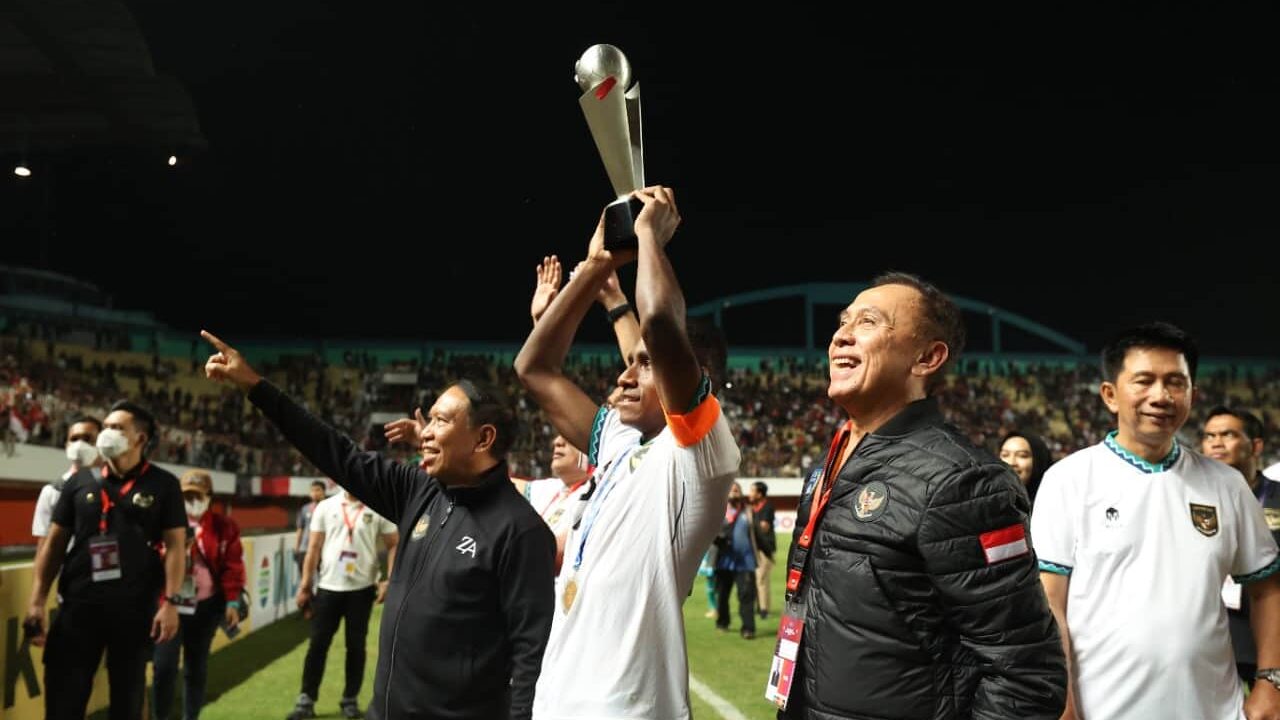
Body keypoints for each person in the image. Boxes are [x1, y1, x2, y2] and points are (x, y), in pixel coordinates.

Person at [201, 331, 555, 720]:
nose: (426, 432)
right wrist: (256, 387)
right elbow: (336, 452)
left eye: (441, 420)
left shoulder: (521, 532)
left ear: (483, 438)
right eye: (429, 420)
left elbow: (530, 656)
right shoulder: (418, 491)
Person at [776, 272, 1066, 719]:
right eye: (843, 321)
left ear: (927, 357)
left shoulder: (964, 482)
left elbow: (1025, 673)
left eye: (868, 323)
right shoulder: (830, 463)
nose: (841, 336)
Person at [514, 185, 741, 718]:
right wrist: (595, 268)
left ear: (690, 374)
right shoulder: (620, 443)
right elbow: (534, 370)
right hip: (554, 702)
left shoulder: (699, 452)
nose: (623, 373)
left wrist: (647, 237)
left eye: (643, 364)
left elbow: (661, 326)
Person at [1033, 322, 1280, 719]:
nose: (1160, 396)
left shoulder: (1227, 485)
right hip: (1102, 709)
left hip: (1213, 708)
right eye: (1144, 381)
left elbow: (1267, 587)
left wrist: (1271, 680)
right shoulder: (1069, 480)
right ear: (1110, 394)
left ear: (1192, 395)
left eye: (1175, 382)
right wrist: (1061, 702)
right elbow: (1049, 605)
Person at [25, 400, 186, 720]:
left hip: (133, 612)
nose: (106, 433)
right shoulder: (78, 482)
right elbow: (54, 545)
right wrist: (37, 600)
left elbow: (177, 547)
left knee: (128, 705)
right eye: (106, 427)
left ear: (140, 439)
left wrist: (170, 602)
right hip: (77, 608)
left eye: (116, 428)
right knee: (62, 704)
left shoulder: (164, 485)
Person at [289, 490, 398, 719]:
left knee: (356, 647)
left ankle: (350, 699)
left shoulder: (376, 505)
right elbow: (314, 548)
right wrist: (305, 585)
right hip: (328, 588)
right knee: (318, 645)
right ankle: (306, 700)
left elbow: (393, 544)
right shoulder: (326, 507)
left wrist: (389, 579)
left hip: (362, 590)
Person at [152, 469, 246, 720]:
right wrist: (169, 553)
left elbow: (233, 567)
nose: (191, 501)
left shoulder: (225, 527)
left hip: (205, 607)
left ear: (209, 496)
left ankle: (190, 717)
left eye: (197, 495)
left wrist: (233, 601)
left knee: (196, 667)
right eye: (186, 495)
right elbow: (150, 563)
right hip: (169, 605)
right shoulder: (163, 522)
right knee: (164, 668)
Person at [1202, 406, 1280, 690]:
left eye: (1228, 434)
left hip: (1268, 634)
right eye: (1209, 436)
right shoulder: (1189, 500)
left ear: (1256, 445)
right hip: (1210, 636)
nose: (1216, 442)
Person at [32, 415, 102, 554]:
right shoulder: (52, 491)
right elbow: (44, 546)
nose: (79, 445)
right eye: (74, 439)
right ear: (66, 445)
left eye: (87, 439)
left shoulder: (115, 486)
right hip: (69, 572)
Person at [714, 482, 757, 639]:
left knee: (746, 595)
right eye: (731, 490)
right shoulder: (718, 511)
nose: (734, 492)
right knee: (723, 595)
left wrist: (766, 550)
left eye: (736, 490)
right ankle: (722, 622)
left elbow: (757, 533)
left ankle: (748, 629)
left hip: (746, 561)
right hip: (723, 561)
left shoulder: (748, 510)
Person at [997, 430, 1053, 505]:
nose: (1011, 462)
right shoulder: (986, 503)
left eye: (1022, 456)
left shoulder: (1053, 504)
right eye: (1005, 455)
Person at [747, 480, 776, 619]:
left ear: (760, 494)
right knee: (755, 579)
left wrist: (748, 525)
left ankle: (764, 610)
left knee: (761, 579)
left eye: (752, 491)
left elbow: (764, 527)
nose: (749, 494)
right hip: (753, 548)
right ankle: (759, 607)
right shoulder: (751, 508)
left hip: (765, 549)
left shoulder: (767, 507)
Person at [296, 480, 326, 576]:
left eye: (318, 490)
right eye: (312, 490)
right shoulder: (305, 509)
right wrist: (297, 547)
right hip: (305, 549)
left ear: (323, 492)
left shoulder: (330, 508)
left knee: (323, 577)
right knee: (304, 577)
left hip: (323, 550)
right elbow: (300, 529)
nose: (315, 493)